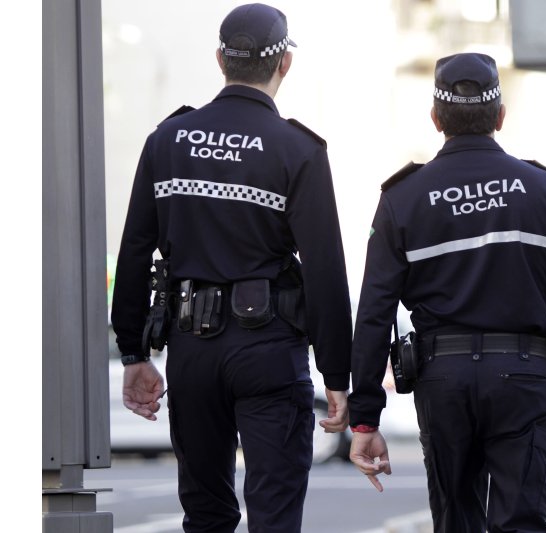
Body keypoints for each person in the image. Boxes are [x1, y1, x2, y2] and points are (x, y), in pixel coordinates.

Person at [346, 52, 546, 532]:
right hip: (524, 379)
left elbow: (374, 313)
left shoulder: (402, 199)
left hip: (443, 381)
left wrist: (366, 420)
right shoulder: (545, 190)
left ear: (436, 119)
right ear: (500, 116)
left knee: (457, 522)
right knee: (523, 522)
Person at [110, 4, 353, 532]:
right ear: (284, 63)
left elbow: (134, 249)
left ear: (220, 58)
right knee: (275, 513)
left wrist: (133, 351)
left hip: (192, 350)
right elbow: (325, 269)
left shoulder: (167, 140)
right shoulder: (297, 149)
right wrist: (337, 375)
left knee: (206, 514)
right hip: (268, 350)